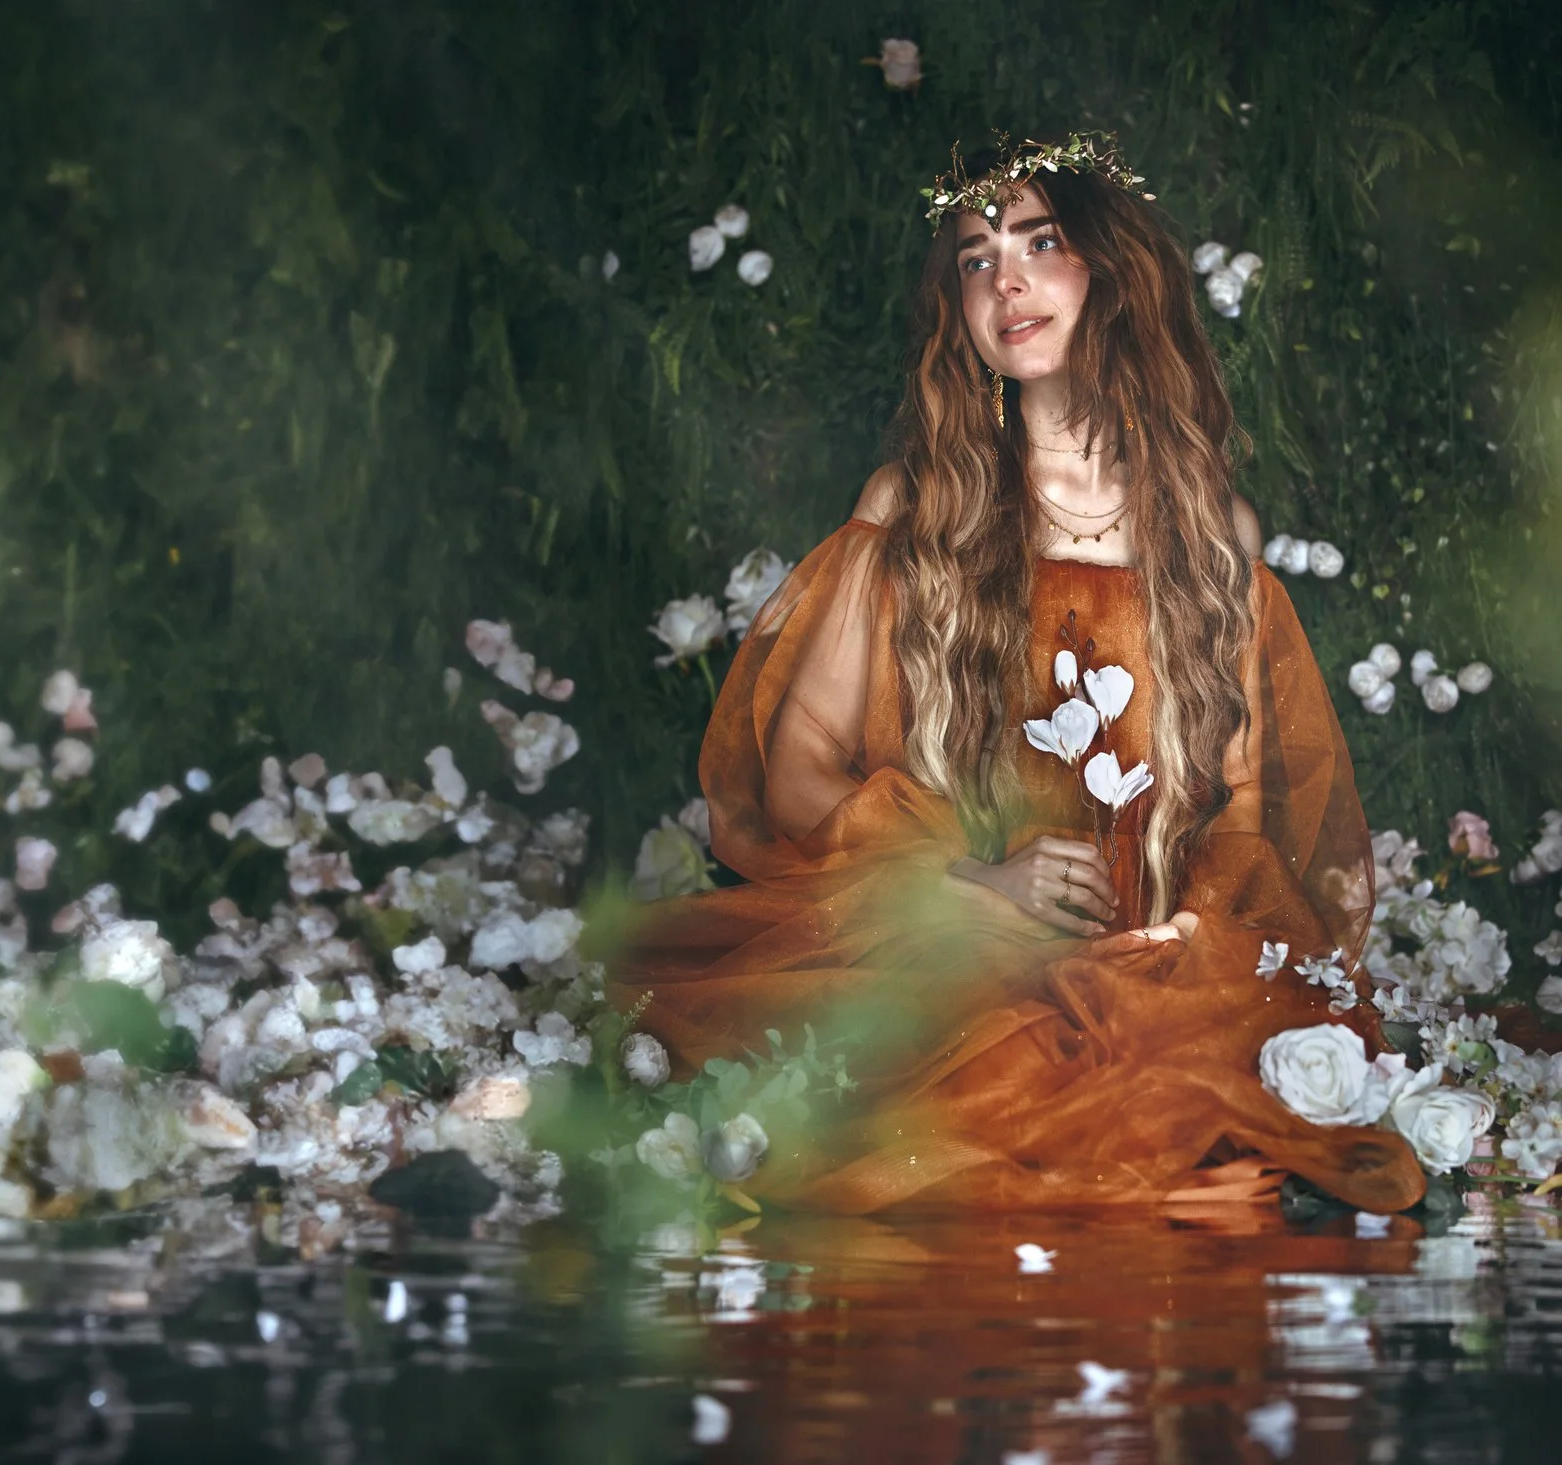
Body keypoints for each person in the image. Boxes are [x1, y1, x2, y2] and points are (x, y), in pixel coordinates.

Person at [611, 132, 1425, 1214]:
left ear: (1109, 270)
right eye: (974, 256)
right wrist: (971, 886)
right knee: (960, 1098)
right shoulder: (914, 509)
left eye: (1040, 242)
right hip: (961, 945)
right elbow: (795, 771)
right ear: (958, 305)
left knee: (1213, 1121)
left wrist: (1178, 937)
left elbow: (1238, 809)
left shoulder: (1209, 534)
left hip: (1149, 966)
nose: (1006, 280)